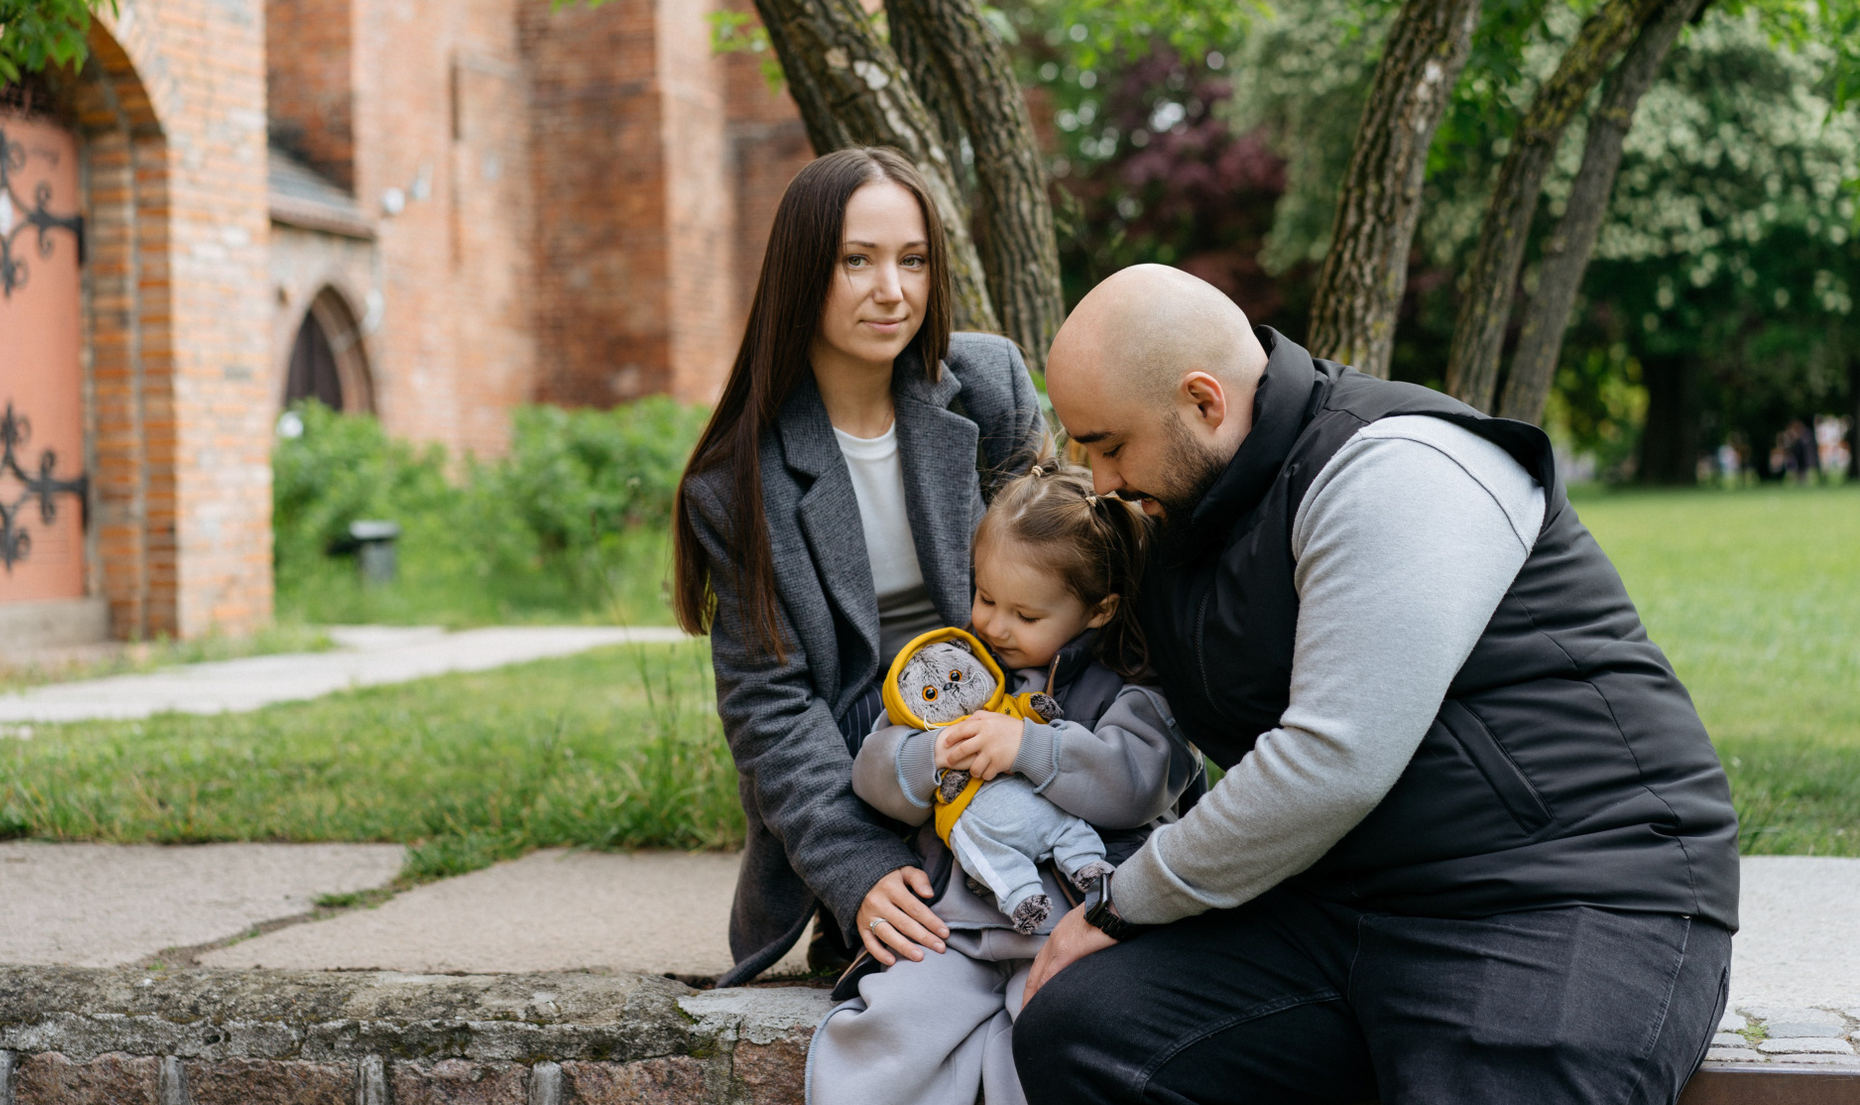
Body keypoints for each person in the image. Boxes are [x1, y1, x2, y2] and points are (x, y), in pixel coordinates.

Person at [1017, 264, 1739, 1104]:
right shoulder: (1183, 509)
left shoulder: (1397, 466)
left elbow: (1333, 761)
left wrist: (1122, 904)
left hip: (1565, 891)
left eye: (1110, 446)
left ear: (1204, 401)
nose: (1102, 480)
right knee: (1085, 1033)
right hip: (1335, 906)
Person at [672, 147, 1045, 986]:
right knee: (937, 966)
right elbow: (771, 704)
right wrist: (857, 869)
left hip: (1018, 722)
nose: (893, 291)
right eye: (857, 261)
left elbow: (1072, 577)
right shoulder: (738, 484)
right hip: (871, 771)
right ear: (804, 271)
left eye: (913, 260)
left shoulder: (988, 387)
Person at [809, 461, 1200, 1105]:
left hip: (1074, 927)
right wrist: (929, 754)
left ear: (1099, 609)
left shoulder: (1133, 686)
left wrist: (1031, 746)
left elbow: (1138, 784)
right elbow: (872, 770)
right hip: (953, 928)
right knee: (895, 1027)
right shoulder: (953, 670)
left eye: (1024, 614)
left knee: (1054, 1042)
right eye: (986, 598)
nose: (993, 626)